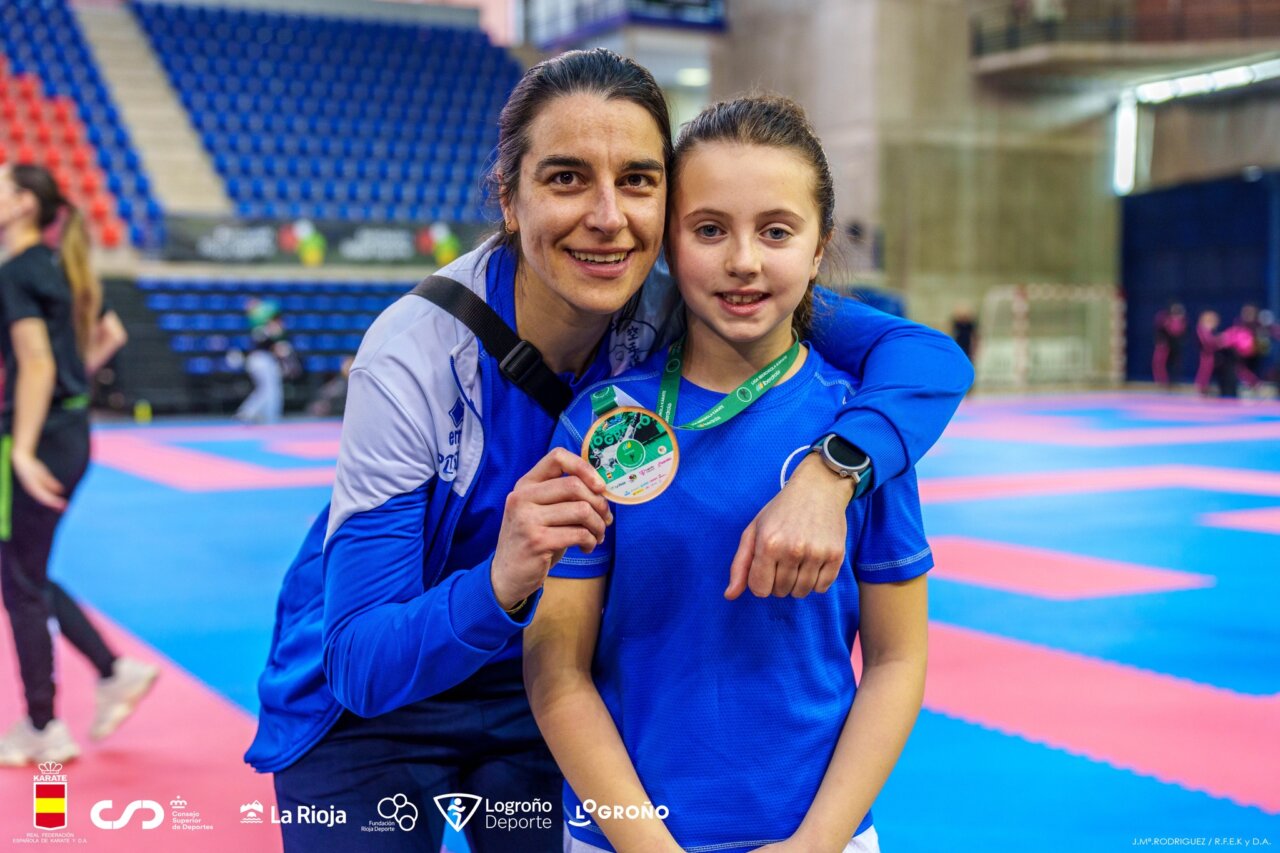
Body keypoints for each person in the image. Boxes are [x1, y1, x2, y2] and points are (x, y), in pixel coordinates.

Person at [245, 49, 971, 853]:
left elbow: (928, 360)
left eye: (636, 180)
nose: (606, 216)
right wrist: (500, 580)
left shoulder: (693, 292)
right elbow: (360, 662)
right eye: (566, 178)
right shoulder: (414, 355)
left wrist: (828, 474)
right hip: (378, 698)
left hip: (543, 682)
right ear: (508, 198)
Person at [525, 95, 928, 853]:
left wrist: (816, 843)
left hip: (818, 836)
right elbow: (557, 673)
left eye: (777, 231)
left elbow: (898, 659)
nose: (744, 260)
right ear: (668, 245)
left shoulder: (860, 436)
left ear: (819, 248)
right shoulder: (602, 425)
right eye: (710, 230)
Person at [0, 164, 158, 765]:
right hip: (69, 432)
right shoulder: (58, 266)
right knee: (27, 572)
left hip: (38, 440)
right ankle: (113, 670)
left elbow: (37, 362)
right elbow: (109, 333)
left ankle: (43, 727)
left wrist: (21, 447)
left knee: (19, 584)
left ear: (22, 205)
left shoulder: (18, 272)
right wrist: (71, 385)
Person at [1152, 301, 1186, 389]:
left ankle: (1172, 381)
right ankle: (1161, 381)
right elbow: (1160, 330)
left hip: (1174, 346)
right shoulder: (1164, 318)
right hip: (1164, 345)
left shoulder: (1180, 321)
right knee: (1159, 363)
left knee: (1174, 364)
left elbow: (1179, 332)